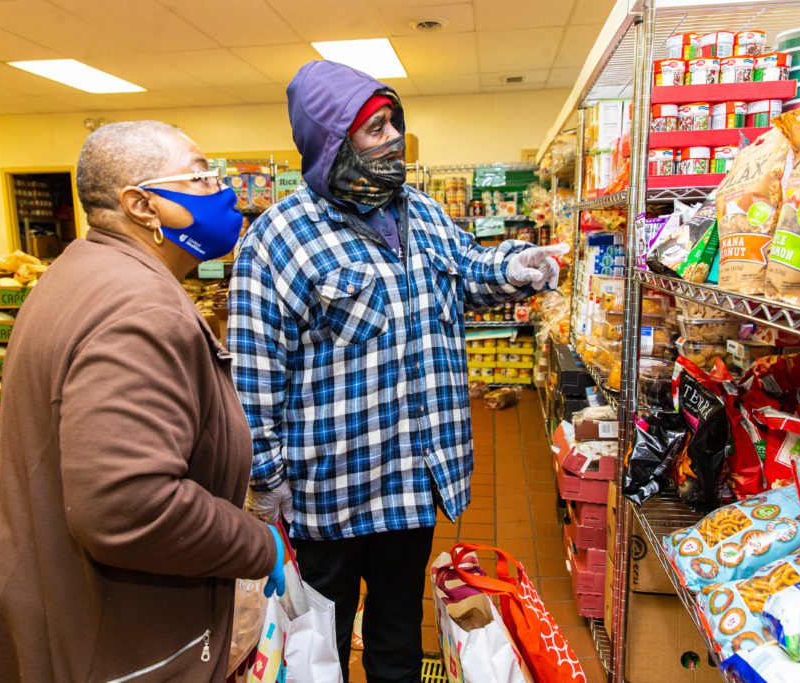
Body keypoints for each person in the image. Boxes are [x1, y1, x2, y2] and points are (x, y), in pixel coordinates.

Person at [228, 61, 560, 683]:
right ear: (332, 144)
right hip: (328, 496)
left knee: (398, 639)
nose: (391, 141)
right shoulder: (277, 240)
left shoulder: (422, 213)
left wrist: (516, 265)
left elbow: (469, 269)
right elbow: (254, 374)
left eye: (392, 124)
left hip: (412, 481)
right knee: (314, 648)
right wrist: (265, 477)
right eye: (373, 128)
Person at [0, 121, 286, 682]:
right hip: (82, 625)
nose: (225, 194)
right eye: (200, 178)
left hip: (38, 588)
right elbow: (129, 504)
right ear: (141, 204)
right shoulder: (143, 311)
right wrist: (257, 543)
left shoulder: (81, 269)